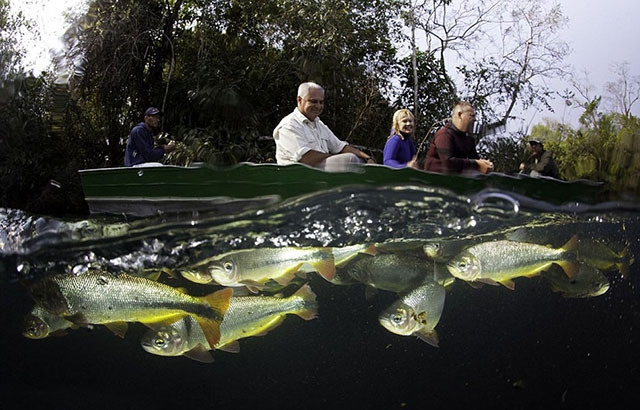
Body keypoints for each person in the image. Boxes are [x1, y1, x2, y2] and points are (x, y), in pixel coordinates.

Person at [273, 82, 375, 171]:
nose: (318, 106)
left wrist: (367, 158)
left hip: (318, 176)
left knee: (358, 160)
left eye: (321, 102)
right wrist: (339, 158)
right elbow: (306, 158)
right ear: (299, 100)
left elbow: (340, 146)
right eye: (313, 101)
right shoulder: (289, 125)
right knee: (349, 160)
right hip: (298, 178)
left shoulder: (318, 124)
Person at [423, 101, 493, 174]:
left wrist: (486, 164)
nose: (475, 119)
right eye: (471, 116)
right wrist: (476, 164)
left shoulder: (468, 139)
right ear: (460, 115)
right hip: (434, 180)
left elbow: (476, 160)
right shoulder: (444, 135)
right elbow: (448, 163)